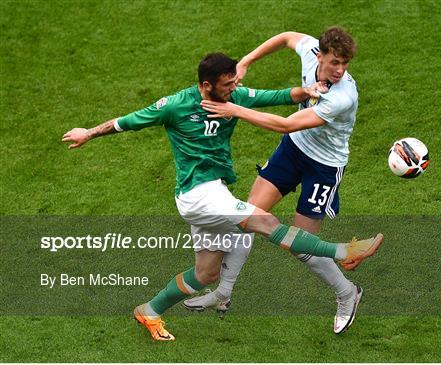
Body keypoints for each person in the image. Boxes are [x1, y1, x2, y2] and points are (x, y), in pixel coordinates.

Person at [62, 52, 383, 341]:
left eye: (234, 83)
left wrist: (308, 92)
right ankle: (345, 250)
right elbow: (125, 122)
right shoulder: (175, 106)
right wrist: (87, 133)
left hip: (214, 193)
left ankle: (150, 310)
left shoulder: (234, 97)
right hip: (196, 196)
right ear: (206, 86)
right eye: (227, 85)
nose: (234, 90)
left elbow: (278, 96)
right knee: (265, 221)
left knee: (205, 273)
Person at [186, 27, 376, 334]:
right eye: (334, 63)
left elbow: (286, 124)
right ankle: (222, 294)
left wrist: (235, 109)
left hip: (324, 166)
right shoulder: (310, 50)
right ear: (321, 55)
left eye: (345, 64)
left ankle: (347, 293)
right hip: (294, 150)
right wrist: (246, 61)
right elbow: (287, 36)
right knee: (245, 218)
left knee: (301, 245)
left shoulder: (343, 96)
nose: (340, 70)